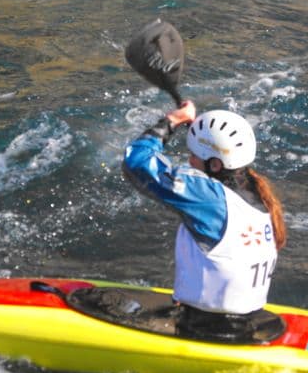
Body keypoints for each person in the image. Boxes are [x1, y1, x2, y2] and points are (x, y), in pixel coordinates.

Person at [123, 101, 287, 339]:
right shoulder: (260, 195)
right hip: (248, 322)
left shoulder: (210, 199)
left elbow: (136, 161)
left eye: (194, 155)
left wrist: (172, 121)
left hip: (204, 327)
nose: (189, 161)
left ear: (215, 164)